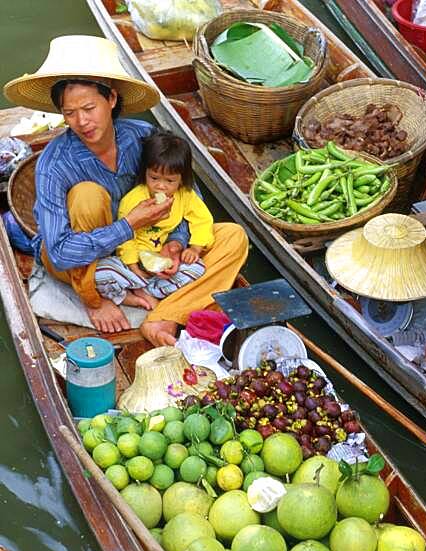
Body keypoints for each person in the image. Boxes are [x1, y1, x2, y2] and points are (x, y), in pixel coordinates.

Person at [3, 35, 248, 344]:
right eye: (69, 113)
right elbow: (60, 252)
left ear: (112, 100)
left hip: (147, 248)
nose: (81, 121)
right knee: (87, 196)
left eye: (89, 107)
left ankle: (163, 317)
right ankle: (100, 298)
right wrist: (129, 225)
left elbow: (188, 199)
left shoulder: (144, 137)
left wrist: (175, 244)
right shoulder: (54, 163)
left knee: (233, 237)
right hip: (84, 265)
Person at [95, 130, 212, 310]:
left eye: (170, 181)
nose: (161, 186)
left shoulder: (185, 196)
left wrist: (195, 248)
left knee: (198, 268)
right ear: (145, 173)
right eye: (154, 178)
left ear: (181, 180)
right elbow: (126, 239)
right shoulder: (134, 200)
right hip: (132, 264)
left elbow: (202, 219)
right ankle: (128, 296)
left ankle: (149, 291)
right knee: (101, 272)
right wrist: (134, 268)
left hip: (163, 261)